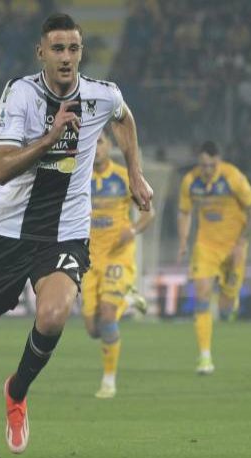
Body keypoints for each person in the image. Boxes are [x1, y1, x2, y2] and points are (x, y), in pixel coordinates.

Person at [0, 13, 153, 458]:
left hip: (64, 232)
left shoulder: (101, 96)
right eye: (57, 49)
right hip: (9, 234)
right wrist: (50, 138)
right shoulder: (20, 94)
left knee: (53, 314)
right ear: (41, 53)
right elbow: (1, 168)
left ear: (80, 52)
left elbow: (124, 119)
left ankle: (17, 391)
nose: (66, 57)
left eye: (73, 48)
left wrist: (135, 172)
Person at [81, 128, 155, 399]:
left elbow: (150, 213)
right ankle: (130, 299)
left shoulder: (125, 177)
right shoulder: (78, 179)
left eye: (100, 142)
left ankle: (109, 381)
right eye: (92, 143)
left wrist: (133, 230)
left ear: (109, 145)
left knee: (109, 315)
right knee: (92, 329)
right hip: (88, 259)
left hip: (117, 256)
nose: (97, 148)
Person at [177, 141, 251, 375]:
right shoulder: (190, 181)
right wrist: (184, 240)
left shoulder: (233, 177)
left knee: (225, 310)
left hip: (234, 247)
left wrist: (242, 240)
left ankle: (230, 301)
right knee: (202, 294)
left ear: (219, 161)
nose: (207, 170)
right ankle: (205, 357)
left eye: (211, 165)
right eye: (203, 165)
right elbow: (184, 212)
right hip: (205, 246)